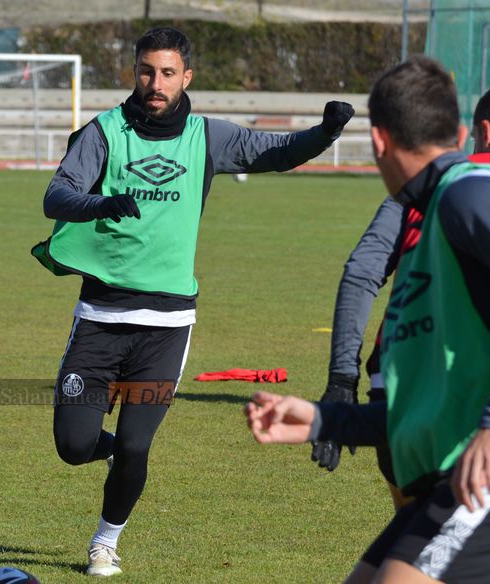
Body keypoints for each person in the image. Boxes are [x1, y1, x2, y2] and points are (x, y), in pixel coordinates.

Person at [31, 27, 354, 577]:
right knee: (72, 443)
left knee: (137, 445)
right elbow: (55, 197)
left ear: (187, 77)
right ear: (135, 72)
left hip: (166, 326)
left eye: (167, 73)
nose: (155, 84)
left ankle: (105, 541)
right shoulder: (103, 132)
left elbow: (273, 151)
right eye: (146, 71)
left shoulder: (207, 136)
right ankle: (108, 452)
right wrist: (100, 202)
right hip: (100, 320)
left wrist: (325, 131)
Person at [246, 57, 490, 584]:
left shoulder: (470, 192)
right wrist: (324, 420)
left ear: (377, 142)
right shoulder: (431, 218)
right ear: (461, 133)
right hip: (465, 460)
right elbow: (432, 404)